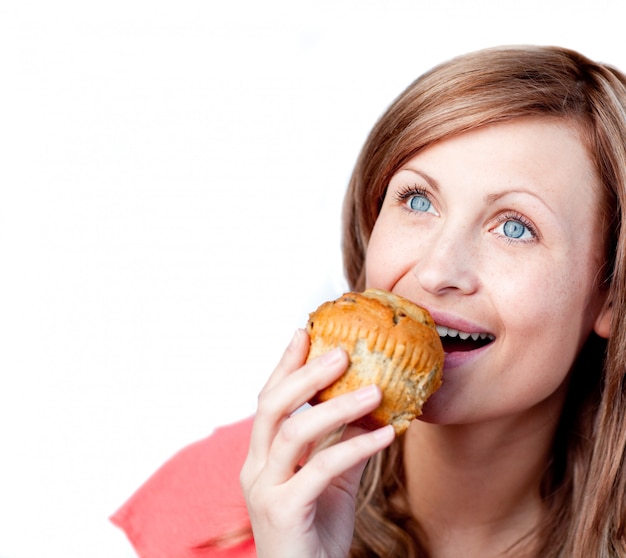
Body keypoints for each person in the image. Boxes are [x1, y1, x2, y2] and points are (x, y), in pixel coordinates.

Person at [111, 45, 626, 557]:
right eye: (418, 200)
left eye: (515, 228)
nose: (436, 270)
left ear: (610, 291)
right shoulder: (213, 506)